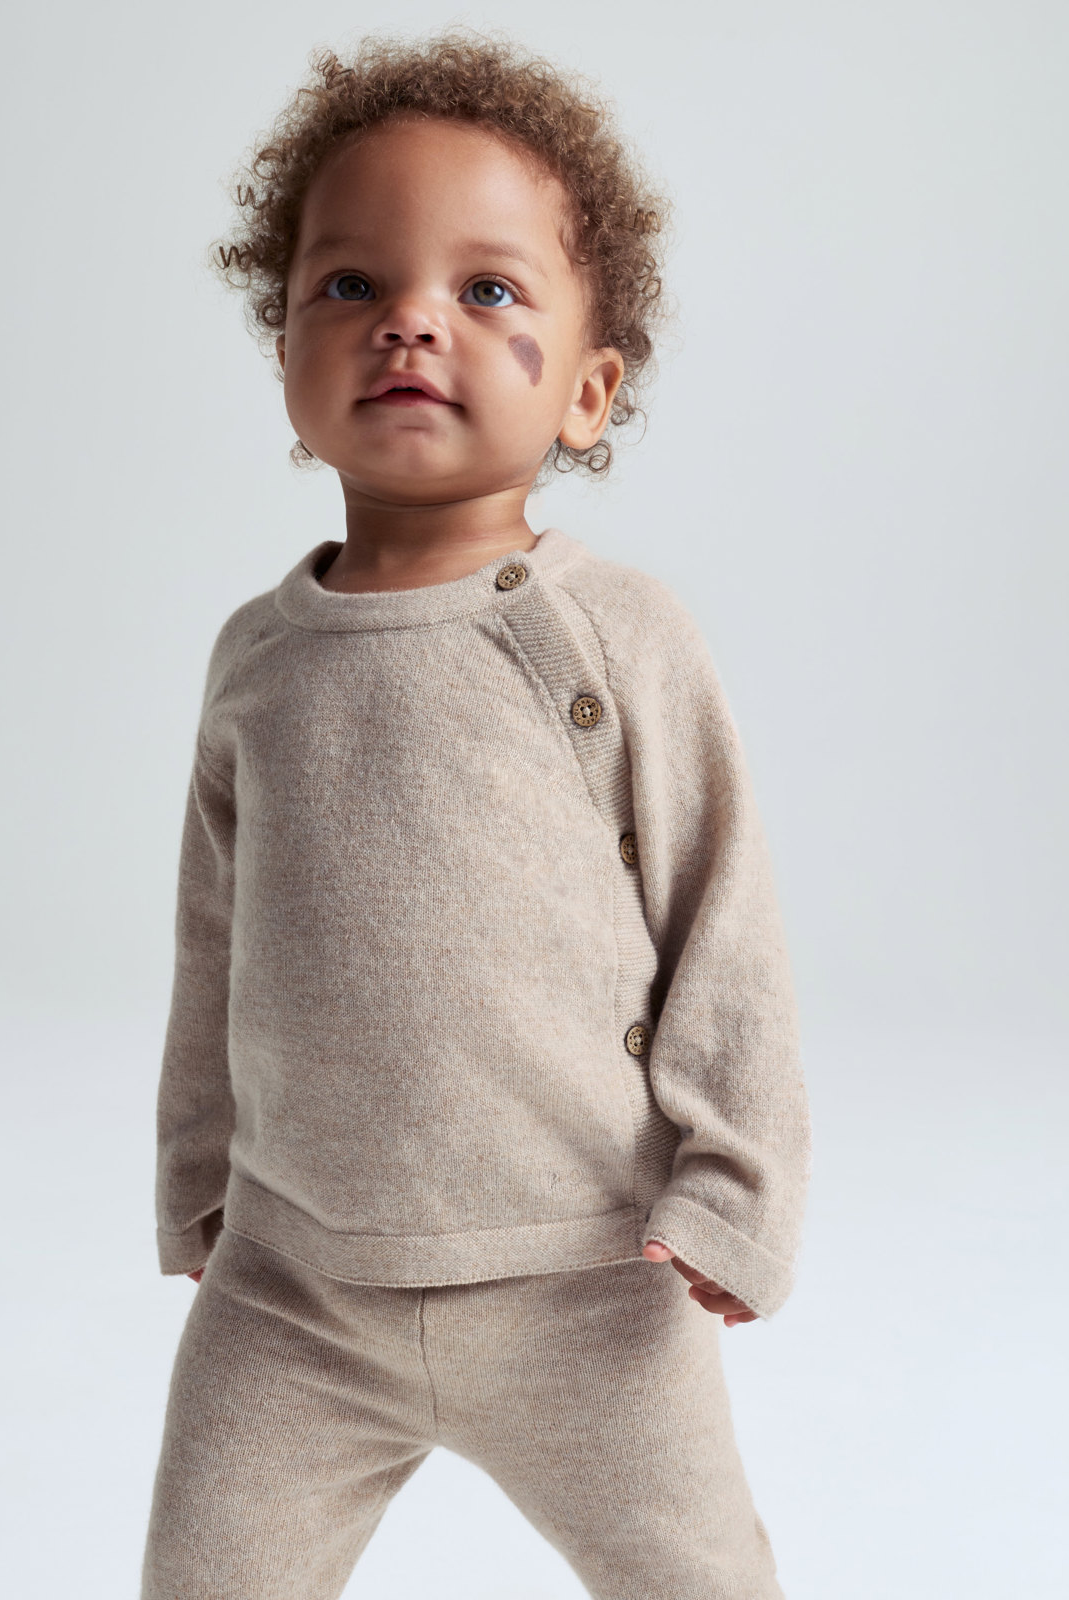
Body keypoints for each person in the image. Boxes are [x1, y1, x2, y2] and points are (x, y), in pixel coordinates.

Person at [141, 30, 812, 1600]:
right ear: (288, 356)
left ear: (588, 391)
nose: (411, 320)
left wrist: (737, 1188)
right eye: (350, 284)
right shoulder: (259, 658)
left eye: (489, 289)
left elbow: (722, 916)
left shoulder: (613, 635)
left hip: (591, 1280)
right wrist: (199, 1170)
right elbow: (215, 933)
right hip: (294, 1294)